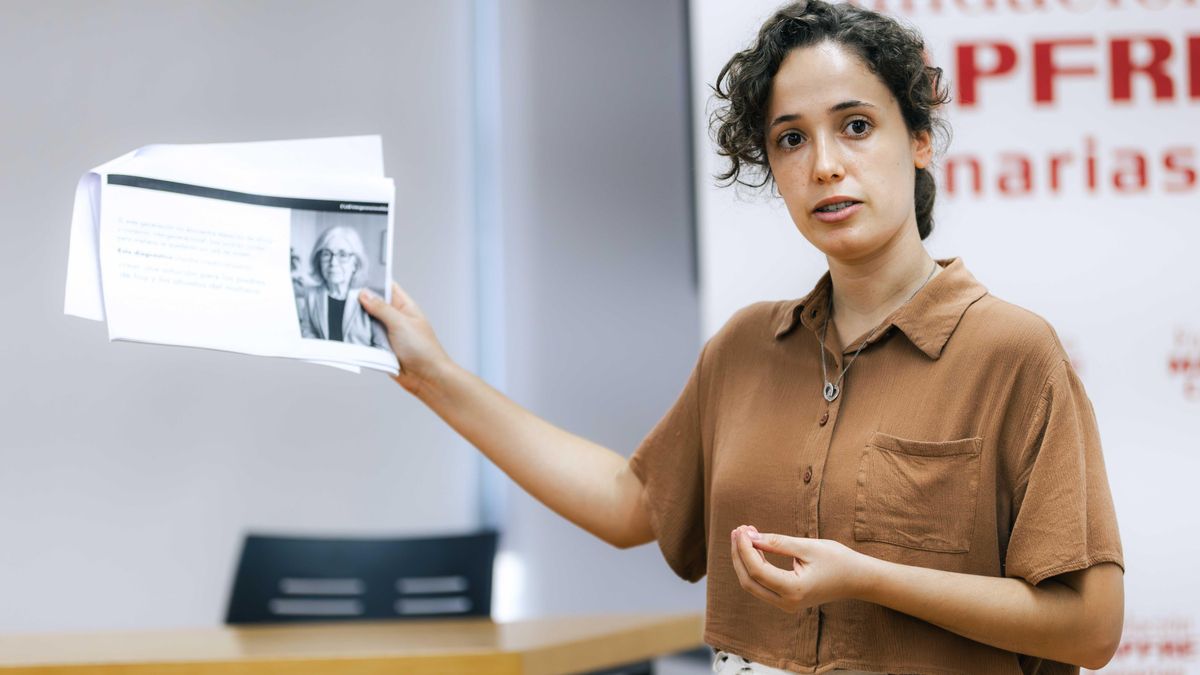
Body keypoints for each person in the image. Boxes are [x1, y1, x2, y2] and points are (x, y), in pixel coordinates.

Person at [358, 2, 1124, 673]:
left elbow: (1090, 626)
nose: (825, 165)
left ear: (919, 139)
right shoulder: (746, 347)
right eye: (791, 139)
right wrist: (433, 374)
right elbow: (630, 504)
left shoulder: (1013, 352)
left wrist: (868, 577)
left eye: (856, 126)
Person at [297, 225, 387, 348]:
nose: (333, 262)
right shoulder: (311, 296)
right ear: (319, 260)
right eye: (326, 254)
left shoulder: (373, 301)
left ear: (355, 264)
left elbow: (382, 348)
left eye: (342, 255)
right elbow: (307, 332)